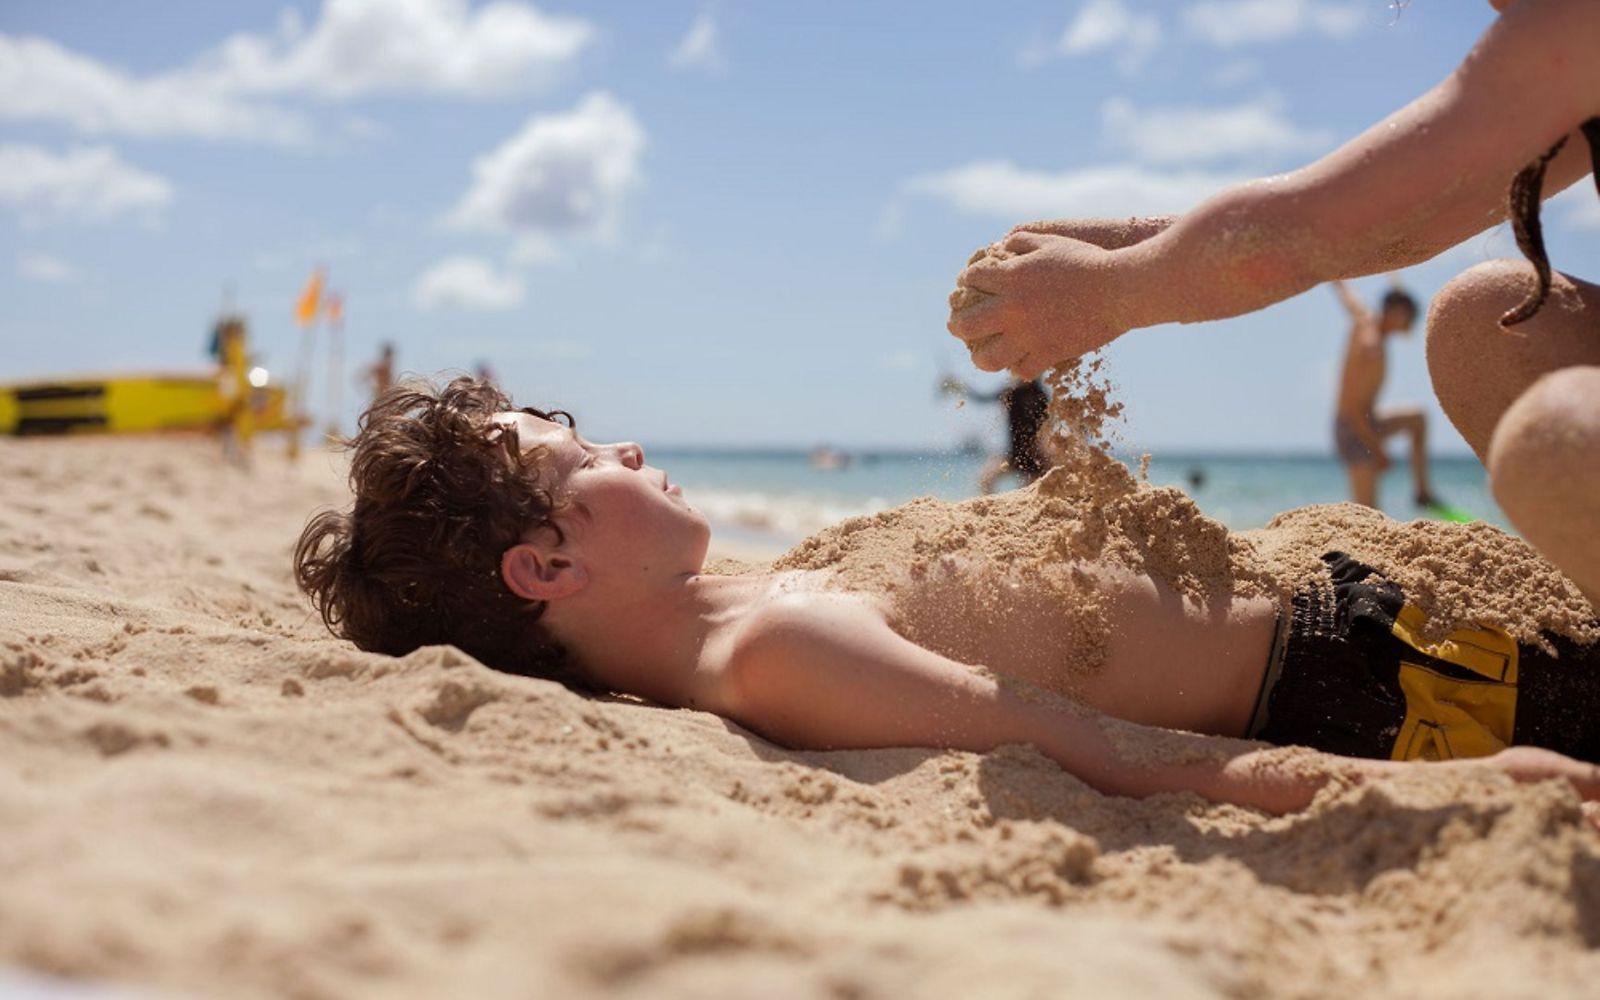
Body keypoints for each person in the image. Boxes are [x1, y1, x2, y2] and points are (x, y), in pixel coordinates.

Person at [294, 378, 1600, 820]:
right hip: (1389, 696)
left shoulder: (741, 602)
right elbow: (1090, 749)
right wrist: (1443, 791)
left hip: (1365, 625)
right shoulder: (773, 651)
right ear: (548, 569)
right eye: (582, 462)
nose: (624, 449)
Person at [945, 0, 1600, 607]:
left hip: (1377, 426)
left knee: (1555, 437)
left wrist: (1106, 288)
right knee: (1486, 319)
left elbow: (1298, 236)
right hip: (1357, 426)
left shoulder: (1570, 21)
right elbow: (1378, 222)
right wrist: (1116, 252)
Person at [1330, 282, 1439, 509]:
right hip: (1353, 430)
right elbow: (1354, 409)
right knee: (1369, 513)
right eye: (1410, 316)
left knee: (1418, 418)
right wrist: (1378, 451)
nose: (1412, 323)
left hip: (1369, 420)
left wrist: (1336, 278)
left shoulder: (1365, 317)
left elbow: (1348, 296)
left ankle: (1422, 491)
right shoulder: (1372, 348)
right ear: (1397, 312)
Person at [943, 375, 1050, 493]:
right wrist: (961, 386)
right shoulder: (1010, 391)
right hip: (1012, 454)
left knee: (1029, 492)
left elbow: (1047, 425)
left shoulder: (1039, 396)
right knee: (985, 480)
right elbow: (981, 398)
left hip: (1035, 456)